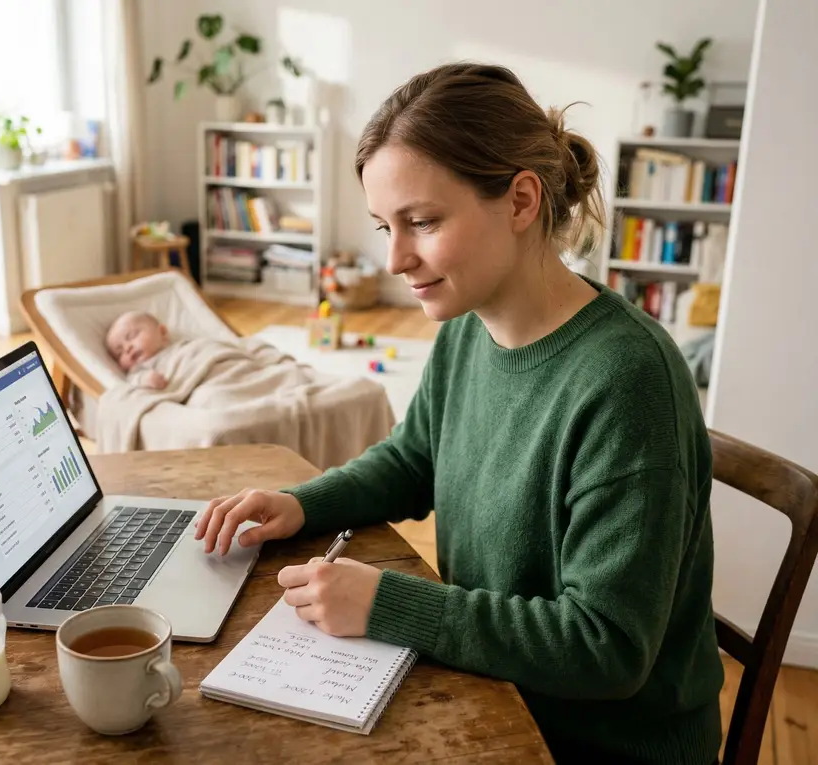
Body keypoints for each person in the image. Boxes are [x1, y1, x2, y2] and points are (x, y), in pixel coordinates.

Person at [194, 62, 724, 764]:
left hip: (591, 742)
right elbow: (415, 458)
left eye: (422, 222)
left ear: (522, 200)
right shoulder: (468, 326)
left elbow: (607, 647)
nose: (394, 257)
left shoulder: (628, 382)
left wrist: (388, 604)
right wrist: (301, 503)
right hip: (494, 689)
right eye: (386, 225)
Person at [104, 311, 173, 389]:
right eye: (120, 353)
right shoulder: (139, 371)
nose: (127, 348)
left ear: (162, 333)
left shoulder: (178, 347)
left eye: (132, 336)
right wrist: (146, 380)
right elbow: (133, 383)